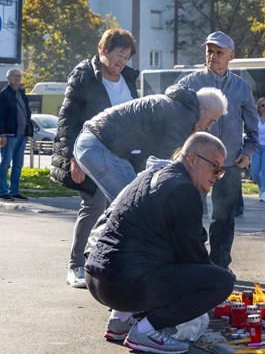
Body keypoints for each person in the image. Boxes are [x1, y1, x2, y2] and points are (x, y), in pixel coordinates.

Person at [85, 132, 235, 354]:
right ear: (192, 159)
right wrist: (210, 284)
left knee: (158, 256)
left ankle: (120, 320)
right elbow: (192, 255)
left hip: (97, 278)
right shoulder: (182, 189)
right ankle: (145, 331)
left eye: (220, 170)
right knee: (220, 281)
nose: (217, 175)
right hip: (122, 284)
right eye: (215, 166)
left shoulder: (149, 176)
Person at [50, 28, 140, 289]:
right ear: (103, 50)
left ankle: (108, 262)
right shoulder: (84, 76)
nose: (122, 62)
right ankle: (75, 265)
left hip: (121, 156)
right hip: (90, 153)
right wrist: (74, 158)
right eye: (118, 55)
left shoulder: (129, 80)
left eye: (126, 57)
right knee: (94, 205)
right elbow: (69, 120)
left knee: (121, 208)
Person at [177, 31, 259, 270]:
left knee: (224, 217)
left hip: (230, 162)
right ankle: (194, 262)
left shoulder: (242, 88)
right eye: (209, 51)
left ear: (231, 56)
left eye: (219, 52)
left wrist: (248, 152)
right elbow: (174, 114)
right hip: (196, 163)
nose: (213, 56)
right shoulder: (190, 83)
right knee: (191, 213)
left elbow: (253, 125)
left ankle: (220, 265)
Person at [74, 85, 227, 202]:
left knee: (129, 204)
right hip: (99, 144)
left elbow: (151, 161)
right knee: (133, 203)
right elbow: (164, 164)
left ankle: (108, 241)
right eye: (211, 121)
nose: (208, 128)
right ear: (203, 109)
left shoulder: (178, 107)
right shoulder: (183, 117)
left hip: (95, 141)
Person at [0, 68, 32, 201]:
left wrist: (28, 132)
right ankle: (2, 191)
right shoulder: (4, 94)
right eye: (14, 76)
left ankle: (14, 191)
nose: (18, 78)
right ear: (8, 78)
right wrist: (2, 134)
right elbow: (0, 116)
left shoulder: (22, 92)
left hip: (21, 135)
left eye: (19, 76)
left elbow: (27, 113)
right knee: (5, 164)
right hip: (9, 135)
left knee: (18, 165)